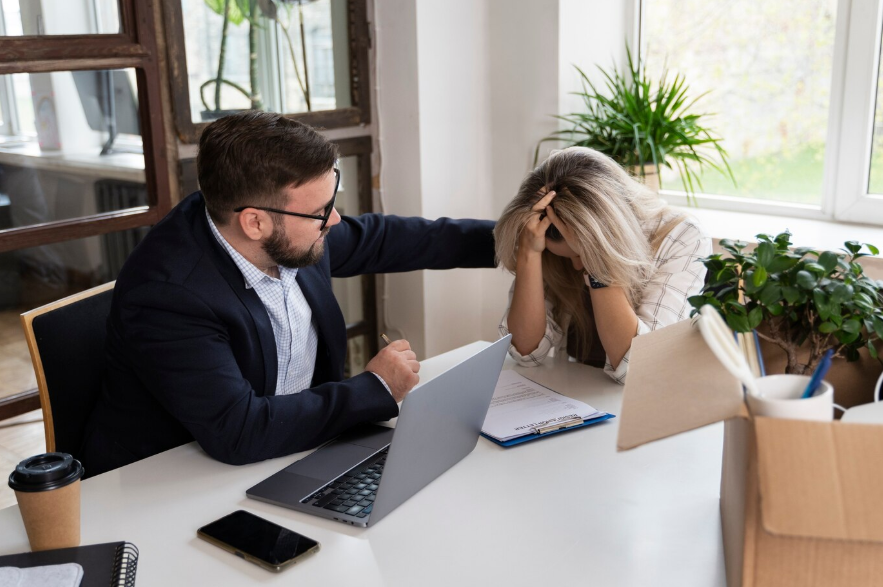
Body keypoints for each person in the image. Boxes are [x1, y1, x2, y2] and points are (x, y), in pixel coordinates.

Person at [81, 111, 496, 476]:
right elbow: (238, 431)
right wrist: (376, 387)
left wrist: (510, 239)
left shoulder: (289, 229)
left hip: (292, 451)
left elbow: (385, 238)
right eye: (320, 213)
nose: (333, 219)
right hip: (166, 486)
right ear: (254, 223)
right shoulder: (169, 295)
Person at [494, 147, 710, 384]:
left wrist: (597, 258)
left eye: (579, 256)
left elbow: (637, 368)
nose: (577, 267)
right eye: (569, 256)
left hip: (648, 403)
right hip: (578, 391)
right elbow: (526, 352)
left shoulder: (681, 236)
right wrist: (529, 253)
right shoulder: (544, 240)